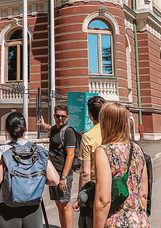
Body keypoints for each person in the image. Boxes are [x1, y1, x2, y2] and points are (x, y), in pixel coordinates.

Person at [0, 111, 59, 228]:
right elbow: (55, 180)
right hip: (34, 208)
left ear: (6, 130)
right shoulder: (38, 150)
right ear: (25, 129)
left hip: (7, 209)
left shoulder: (2, 150)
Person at [93, 102, 149, 228]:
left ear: (105, 123)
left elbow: (103, 201)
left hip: (115, 222)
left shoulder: (104, 151)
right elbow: (143, 194)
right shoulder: (137, 149)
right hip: (139, 221)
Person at [37, 105, 76, 228]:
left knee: (65, 203)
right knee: (58, 203)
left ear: (67, 117)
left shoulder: (69, 132)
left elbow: (70, 155)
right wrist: (43, 124)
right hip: (53, 173)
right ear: (54, 116)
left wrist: (64, 177)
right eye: (58, 115)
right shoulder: (55, 129)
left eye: (63, 116)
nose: (60, 118)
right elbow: (50, 128)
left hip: (62, 174)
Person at [73, 95, 106, 227]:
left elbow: (85, 173)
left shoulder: (88, 137)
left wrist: (80, 198)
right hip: (112, 187)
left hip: (94, 190)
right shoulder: (113, 133)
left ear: (89, 114)